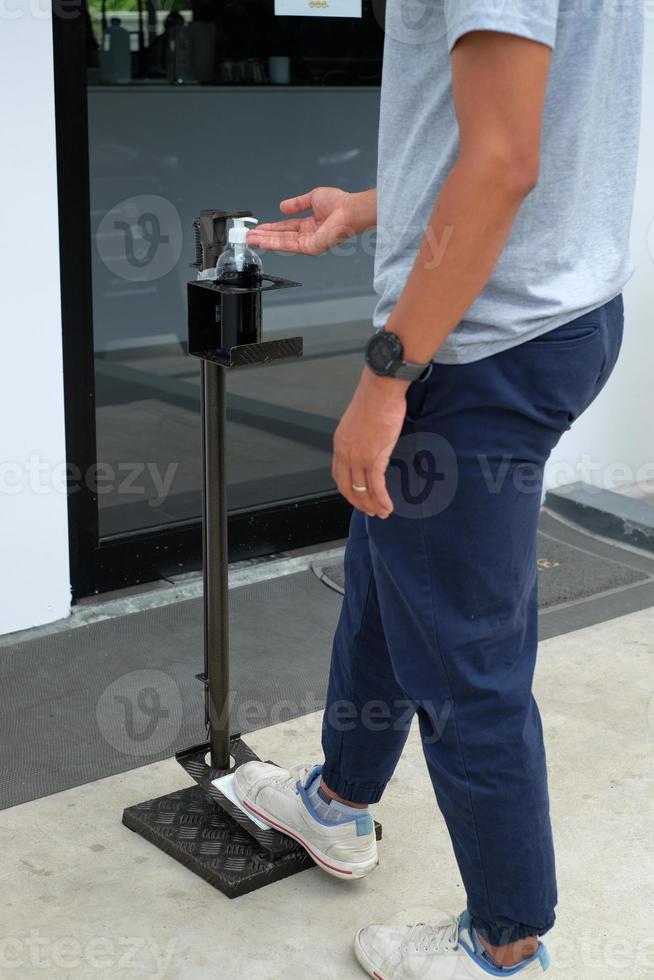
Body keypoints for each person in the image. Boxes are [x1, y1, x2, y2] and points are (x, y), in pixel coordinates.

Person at [234, 2, 644, 977]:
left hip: (486, 342)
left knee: (467, 655)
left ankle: (505, 945)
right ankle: (337, 800)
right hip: (551, 309)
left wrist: (387, 378)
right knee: (386, 552)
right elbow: (523, 123)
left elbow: (501, 162)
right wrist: (374, 207)